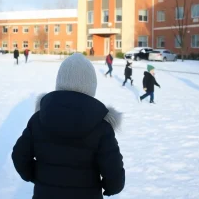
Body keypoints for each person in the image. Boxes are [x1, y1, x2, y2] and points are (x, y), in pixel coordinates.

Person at [12, 53, 125, 199]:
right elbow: (115, 176)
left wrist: (38, 176)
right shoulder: (102, 128)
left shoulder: (38, 119)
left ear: (59, 82)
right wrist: (108, 188)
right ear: (91, 86)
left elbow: (19, 156)